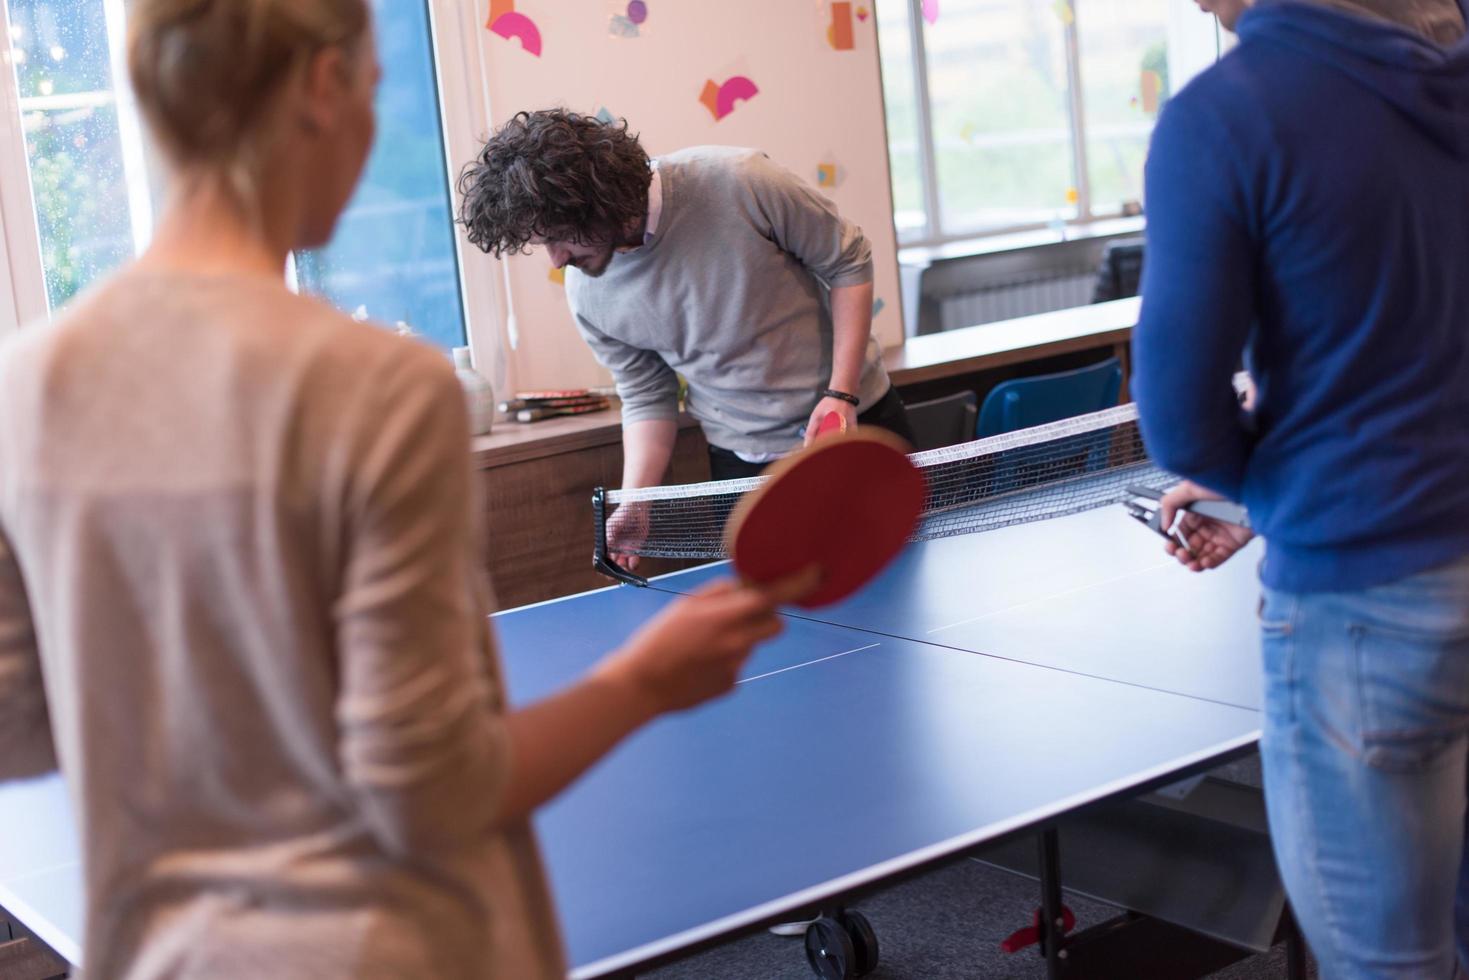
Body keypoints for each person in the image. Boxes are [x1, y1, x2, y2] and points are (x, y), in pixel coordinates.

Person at [0, 2, 802, 977]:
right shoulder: (379, 389)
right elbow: (431, 790)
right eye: (377, 92)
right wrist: (643, 680)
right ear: (324, 88)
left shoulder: (22, 388)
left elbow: (19, 730)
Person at [1133, 0, 1469, 975]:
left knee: (1387, 962)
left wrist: (1273, 488)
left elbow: (1179, 415)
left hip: (1361, 610)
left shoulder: (1224, 116)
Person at [457, 110, 915, 570]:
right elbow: (646, 394)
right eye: (543, 244)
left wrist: (841, 392)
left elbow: (848, 262)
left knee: (906, 587)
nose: (557, 259)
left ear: (600, 199)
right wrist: (638, 500)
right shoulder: (588, 293)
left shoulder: (741, 181)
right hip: (742, 466)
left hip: (856, 424)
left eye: (559, 237)